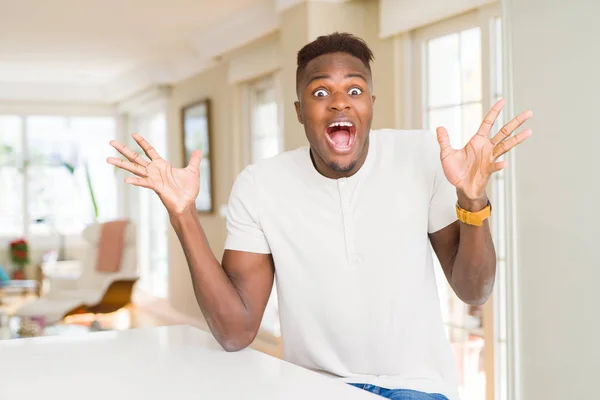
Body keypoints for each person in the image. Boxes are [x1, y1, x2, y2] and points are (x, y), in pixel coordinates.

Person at [107, 32, 532, 400]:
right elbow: (234, 332)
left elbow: (474, 291)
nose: (339, 104)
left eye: (354, 90)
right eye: (320, 92)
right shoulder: (260, 185)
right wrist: (182, 214)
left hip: (415, 386)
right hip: (313, 388)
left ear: (370, 103)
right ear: (298, 111)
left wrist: (472, 199)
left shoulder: (421, 156)